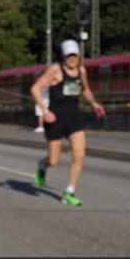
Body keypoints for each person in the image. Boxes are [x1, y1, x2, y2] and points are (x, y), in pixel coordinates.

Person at [30, 39, 106, 207]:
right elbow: (35, 88)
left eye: (74, 55)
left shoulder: (81, 71)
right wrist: (45, 110)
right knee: (54, 160)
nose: (72, 59)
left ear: (79, 56)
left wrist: (94, 103)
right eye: (68, 56)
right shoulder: (56, 70)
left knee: (79, 154)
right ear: (63, 56)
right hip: (55, 119)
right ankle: (43, 165)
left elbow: (85, 89)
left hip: (74, 118)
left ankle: (69, 192)